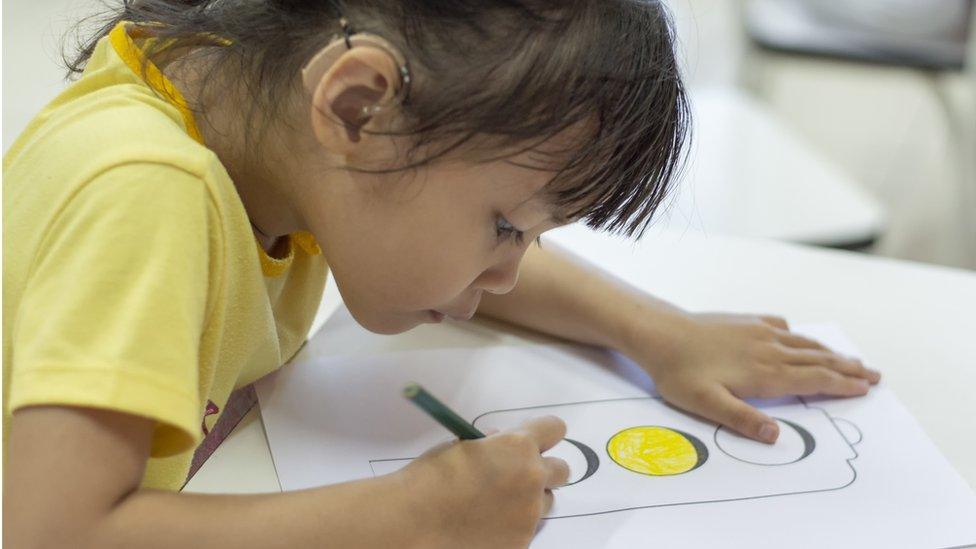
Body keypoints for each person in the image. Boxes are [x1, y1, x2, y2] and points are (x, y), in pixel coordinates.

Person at [2, 1, 880, 547]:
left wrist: (657, 333)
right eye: (505, 225)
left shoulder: (260, 124)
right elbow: (50, 532)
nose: (506, 274)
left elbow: (430, 232)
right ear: (357, 107)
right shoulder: (149, 197)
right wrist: (409, 520)